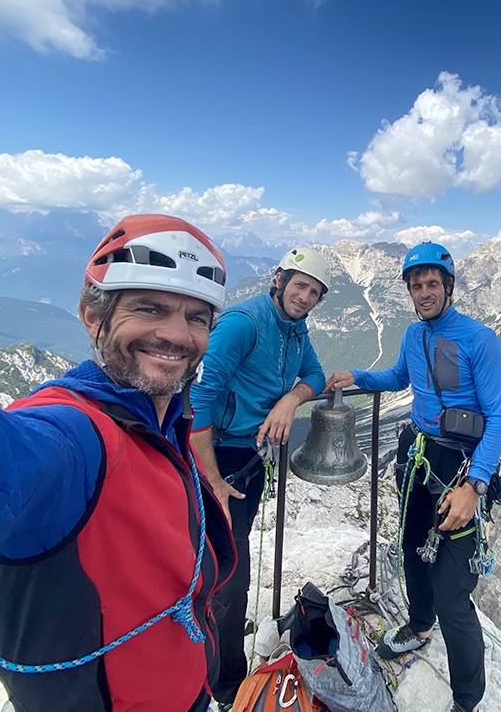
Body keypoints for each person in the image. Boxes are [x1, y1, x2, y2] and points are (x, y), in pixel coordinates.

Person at [0, 214, 238, 712]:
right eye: (150, 308)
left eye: (197, 317)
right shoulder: (72, 440)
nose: (178, 335)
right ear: (93, 317)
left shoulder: (162, 423)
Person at [325, 241, 501, 712]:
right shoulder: (413, 334)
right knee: (411, 550)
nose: (423, 292)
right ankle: (420, 626)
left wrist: (475, 487)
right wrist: (357, 377)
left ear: (448, 287)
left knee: (454, 592)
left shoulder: (479, 339)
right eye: (415, 285)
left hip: (462, 468)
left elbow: (498, 417)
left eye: (431, 284)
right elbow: (400, 378)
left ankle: (467, 700)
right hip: (419, 457)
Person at [190, 246, 331, 709]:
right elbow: (200, 399)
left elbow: (313, 371)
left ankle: (222, 642)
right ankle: (223, 683)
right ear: (280, 280)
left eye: (314, 291)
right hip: (219, 458)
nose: (306, 296)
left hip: (245, 459)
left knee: (235, 552)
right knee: (229, 572)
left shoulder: (294, 329)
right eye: (300, 285)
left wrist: (290, 401)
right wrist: (211, 478)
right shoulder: (243, 324)